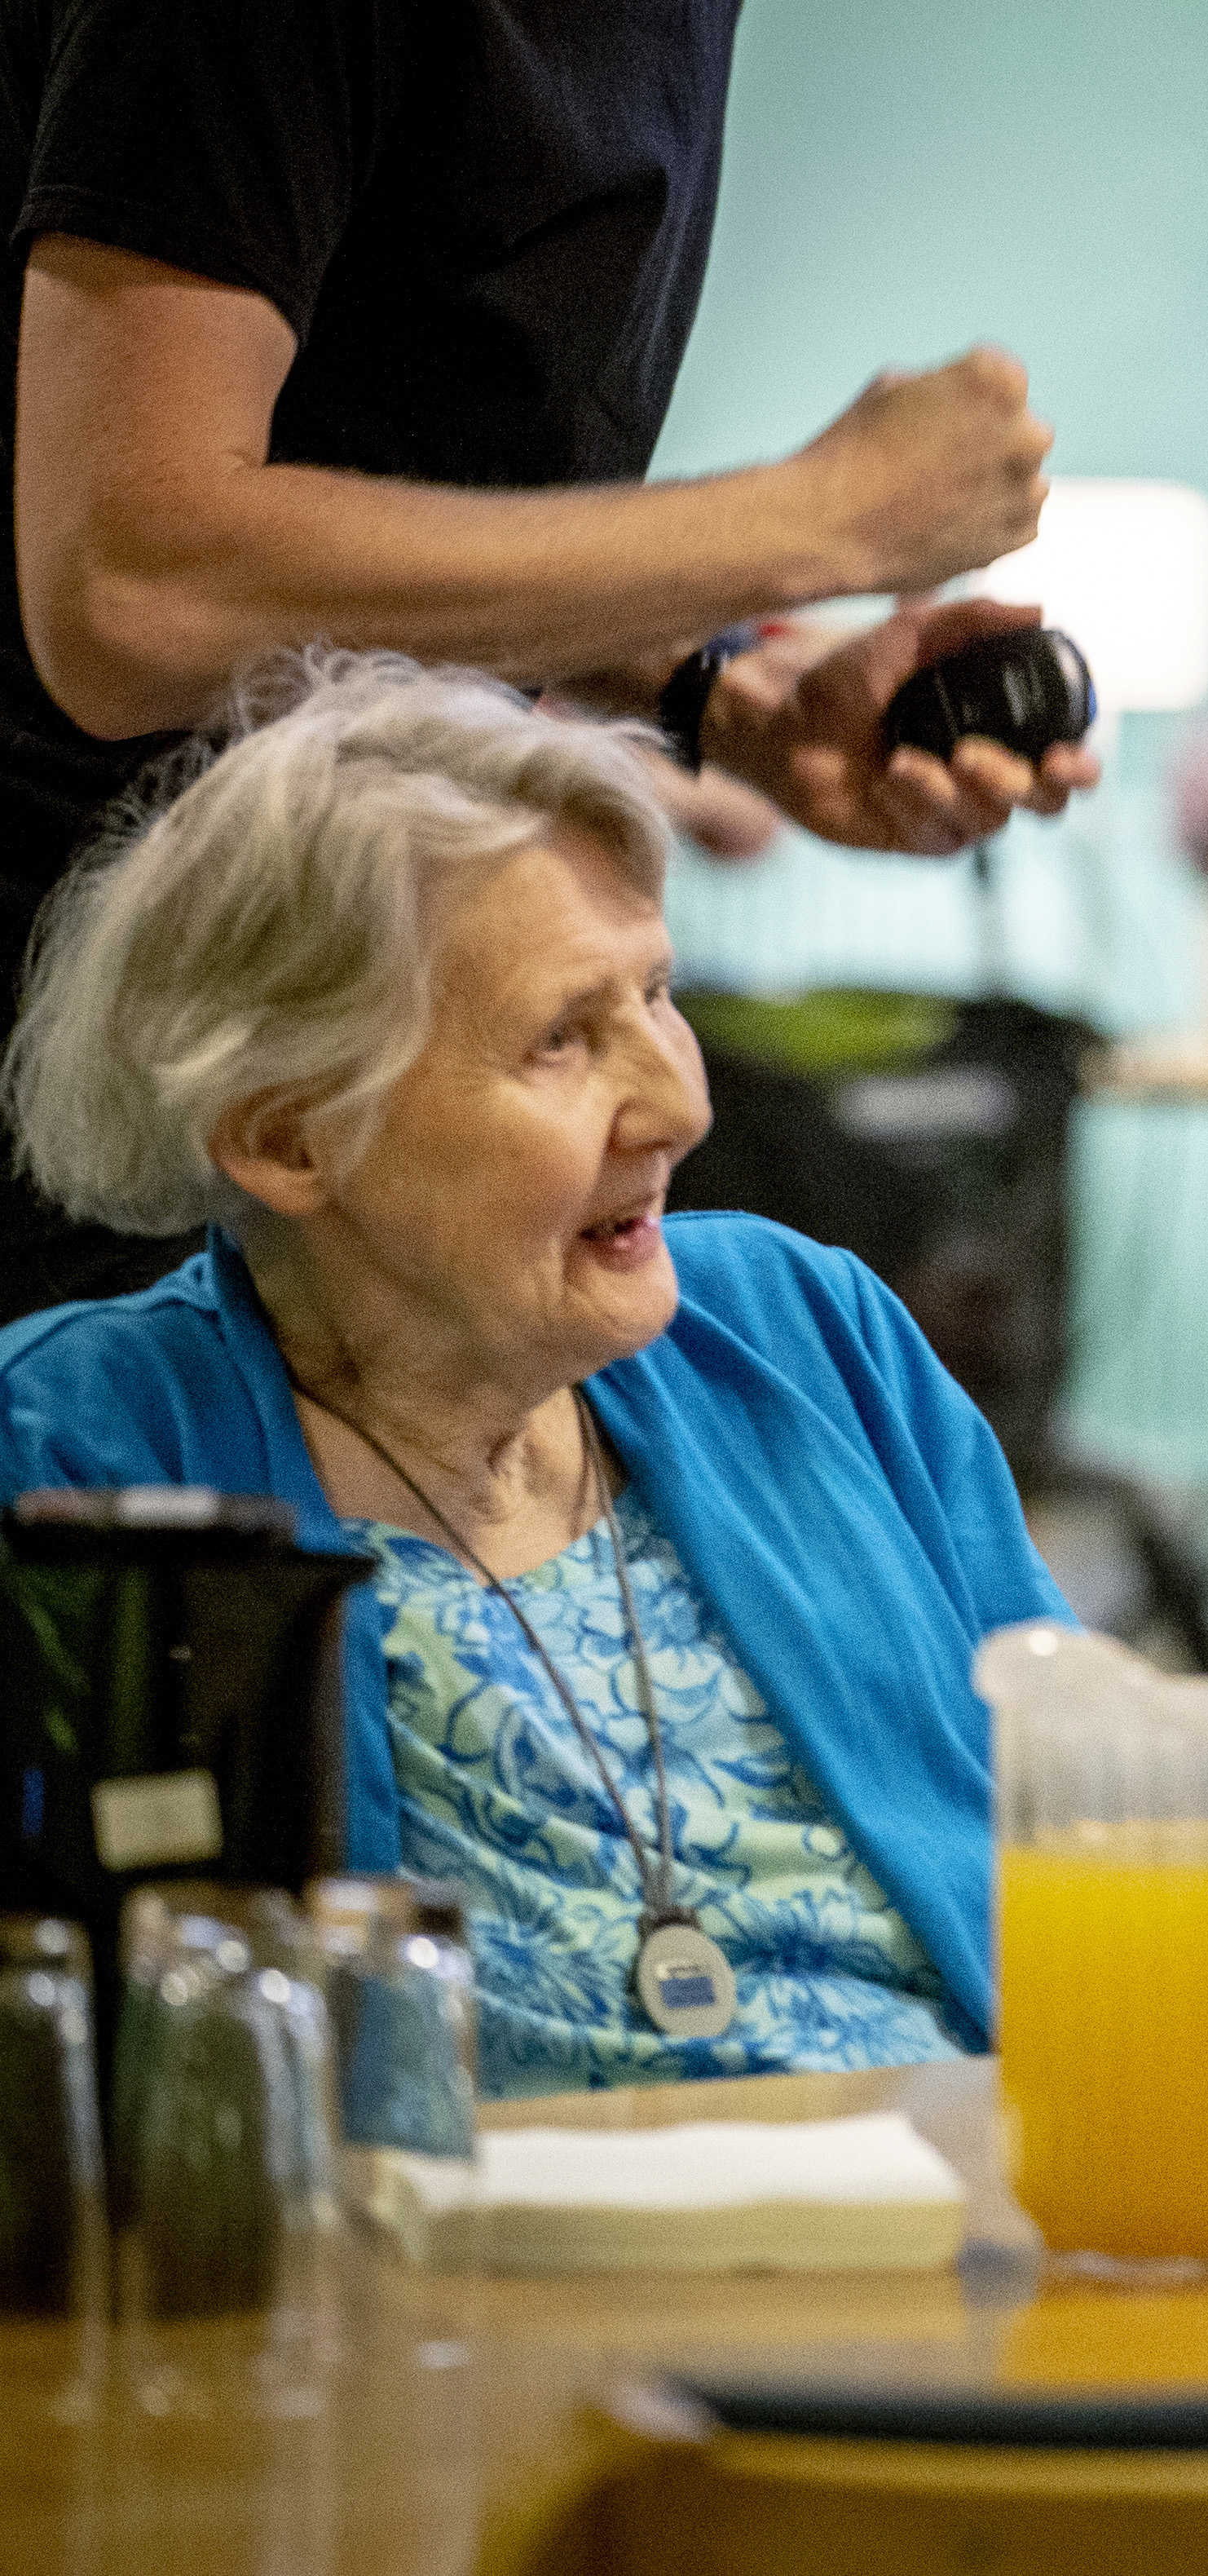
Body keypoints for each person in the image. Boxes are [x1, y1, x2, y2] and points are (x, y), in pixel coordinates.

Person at [0, 657, 1064, 2095]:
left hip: (979, 2231)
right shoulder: (71, 1459)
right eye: (561, 1038)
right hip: (464, 2296)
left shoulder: (810, 1328)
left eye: (658, 992)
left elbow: (1083, 1806)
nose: (682, 1102)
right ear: (294, 1137)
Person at [0, 0, 1102, 1314]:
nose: (677, 1106)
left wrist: (726, 693)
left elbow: (389, 458)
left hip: (311, 1014)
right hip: (75, 1049)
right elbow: (128, 584)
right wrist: (815, 518)